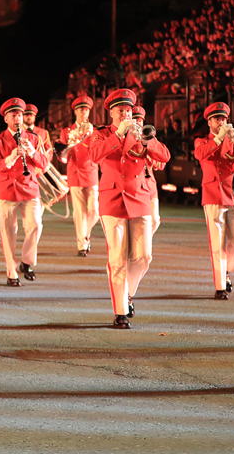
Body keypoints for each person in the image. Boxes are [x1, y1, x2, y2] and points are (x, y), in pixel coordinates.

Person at [88, 89, 170, 329]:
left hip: (140, 197)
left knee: (143, 256)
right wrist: (118, 136)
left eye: (128, 110)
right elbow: (93, 156)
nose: (125, 113)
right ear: (111, 112)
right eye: (120, 110)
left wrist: (148, 141)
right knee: (117, 258)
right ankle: (120, 311)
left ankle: (128, 293)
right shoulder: (101, 134)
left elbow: (164, 156)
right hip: (112, 199)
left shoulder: (140, 132)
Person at [0, 98, 48, 286]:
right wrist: (11, 157)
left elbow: (44, 164)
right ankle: (11, 270)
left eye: (20, 115)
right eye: (13, 115)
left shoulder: (34, 138)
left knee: (36, 225)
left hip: (29, 188)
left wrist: (32, 153)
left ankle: (27, 262)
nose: (18, 118)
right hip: (7, 189)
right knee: (8, 232)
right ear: (6, 119)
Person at [193, 102, 234, 300]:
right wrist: (218, 138)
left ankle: (226, 270)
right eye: (217, 119)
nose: (222, 122)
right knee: (217, 243)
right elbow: (200, 154)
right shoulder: (202, 141)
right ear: (209, 122)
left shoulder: (232, 140)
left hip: (233, 195)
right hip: (213, 194)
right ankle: (220, 286)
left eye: (224, 119)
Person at [57, 96, 99, 256]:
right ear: (75, 111)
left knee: (94, 210)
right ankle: (82, 244)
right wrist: (71, 140)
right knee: (79, 211)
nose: (84, 112)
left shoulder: (94, 130)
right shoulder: (67, 131)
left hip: (91, 170)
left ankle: (85, 235)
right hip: (75, 170)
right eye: (81, 109)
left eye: (87, 109)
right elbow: (61, 155)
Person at [132, 106, 166, 234]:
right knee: (139, 221)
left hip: (150, 185)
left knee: (155, 220)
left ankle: (144, 243)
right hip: (136, 185)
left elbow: (161, 164)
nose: (138, 123)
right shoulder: (128, 139)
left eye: (140, 120)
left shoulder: (150, 138)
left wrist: (150, 149)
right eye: (135, 120)